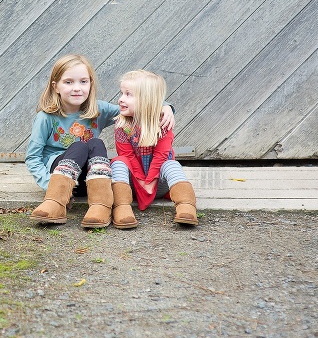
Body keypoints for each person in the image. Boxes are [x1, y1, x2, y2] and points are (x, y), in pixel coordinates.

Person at [25, 55, 175, 228]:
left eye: (83, 81)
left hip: (89, 180)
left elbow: (142, 102)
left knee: (97, 144)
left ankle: (100, 206)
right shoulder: (46, 117)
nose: (77, 88)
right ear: (55, 86)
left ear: (91, 84)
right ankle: (55, 203)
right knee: (81, 146)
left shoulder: (99, 109)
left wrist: (165, 106)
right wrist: (48, 184)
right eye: (68, 82)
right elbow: (33, 158)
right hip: (61, 180)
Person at [110, 69, 197, 229]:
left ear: (146, 100)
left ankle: (186, 205)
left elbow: (161, 155)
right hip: (132, 185)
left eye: (128, 94)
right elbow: (127, 155)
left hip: (159, 183)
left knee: (170, 164)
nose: (121, 99)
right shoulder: (122, 124)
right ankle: (121, 206)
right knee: (119, 161)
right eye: (122, 93)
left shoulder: (162, 123)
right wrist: (142, 181)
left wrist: (151, 181)